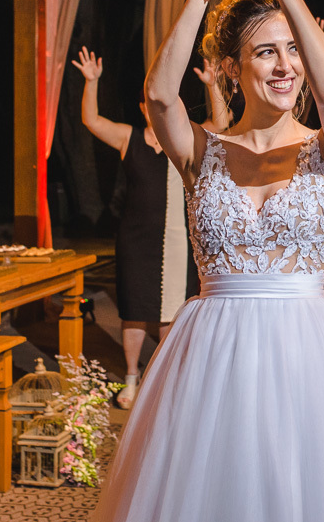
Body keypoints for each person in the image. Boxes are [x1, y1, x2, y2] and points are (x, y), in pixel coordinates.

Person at [93, 0, 324, 521]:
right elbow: (158, 94)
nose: (286, 66)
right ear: (233, 68)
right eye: (266, 52)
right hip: (212, 356)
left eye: (293, 50)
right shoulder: (200, 150)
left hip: (306, 354)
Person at [70, 48, 226, 409]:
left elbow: (222, 126)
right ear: (145, 107)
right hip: (136, 240)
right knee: (135, 309)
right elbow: (92, 120)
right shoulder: (130, 139)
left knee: (172, 309)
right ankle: (131, 379)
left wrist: (213, 85)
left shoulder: (186, 137)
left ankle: (163, 380)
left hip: (177, 240)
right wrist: (92, 82)